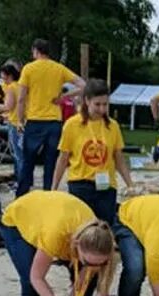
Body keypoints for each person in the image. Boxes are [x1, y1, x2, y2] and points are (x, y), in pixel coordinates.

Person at [0, 191, 116, 296]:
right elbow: (37, 277)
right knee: (29, 285)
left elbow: (82, 285)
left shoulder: (98, 236)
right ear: (77, 245)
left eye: (100, 264)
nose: (93, 267)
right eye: (87, 262)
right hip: (19, 219)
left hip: (54, 214)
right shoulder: (56, 235)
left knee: (88, 284)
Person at [52, 78, 133, 227]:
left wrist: (130, 184)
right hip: (80, 184)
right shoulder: (72, 125)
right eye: (97, 104)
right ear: (87, 101)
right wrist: (54, 187)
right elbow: (63, 158)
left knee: (105, 229)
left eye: (105, 104)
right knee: (83, 229)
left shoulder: (112, 126)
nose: (102, 109)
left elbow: (119, 158)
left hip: (106, 186)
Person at [16, 38, 85, 197]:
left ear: (35, 51)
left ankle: (21, 196)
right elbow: (83, 84)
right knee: (50, 162)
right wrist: (64, 96)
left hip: (35, 120)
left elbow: (21, 98)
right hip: (54, 121)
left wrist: (20, 120)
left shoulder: (29, 69)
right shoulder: (59, 68)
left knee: (28, 162)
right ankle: (49, 195)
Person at [0, 62, 23, 179]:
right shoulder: (21, 86)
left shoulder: (12, 87)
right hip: (23, 122)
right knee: (22, 153)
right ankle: (23, 179)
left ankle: (20, 180)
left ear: (9, 75)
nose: (2, 80)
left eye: (3, 76)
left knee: (17, 154)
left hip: (14, 123)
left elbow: (7, 107)